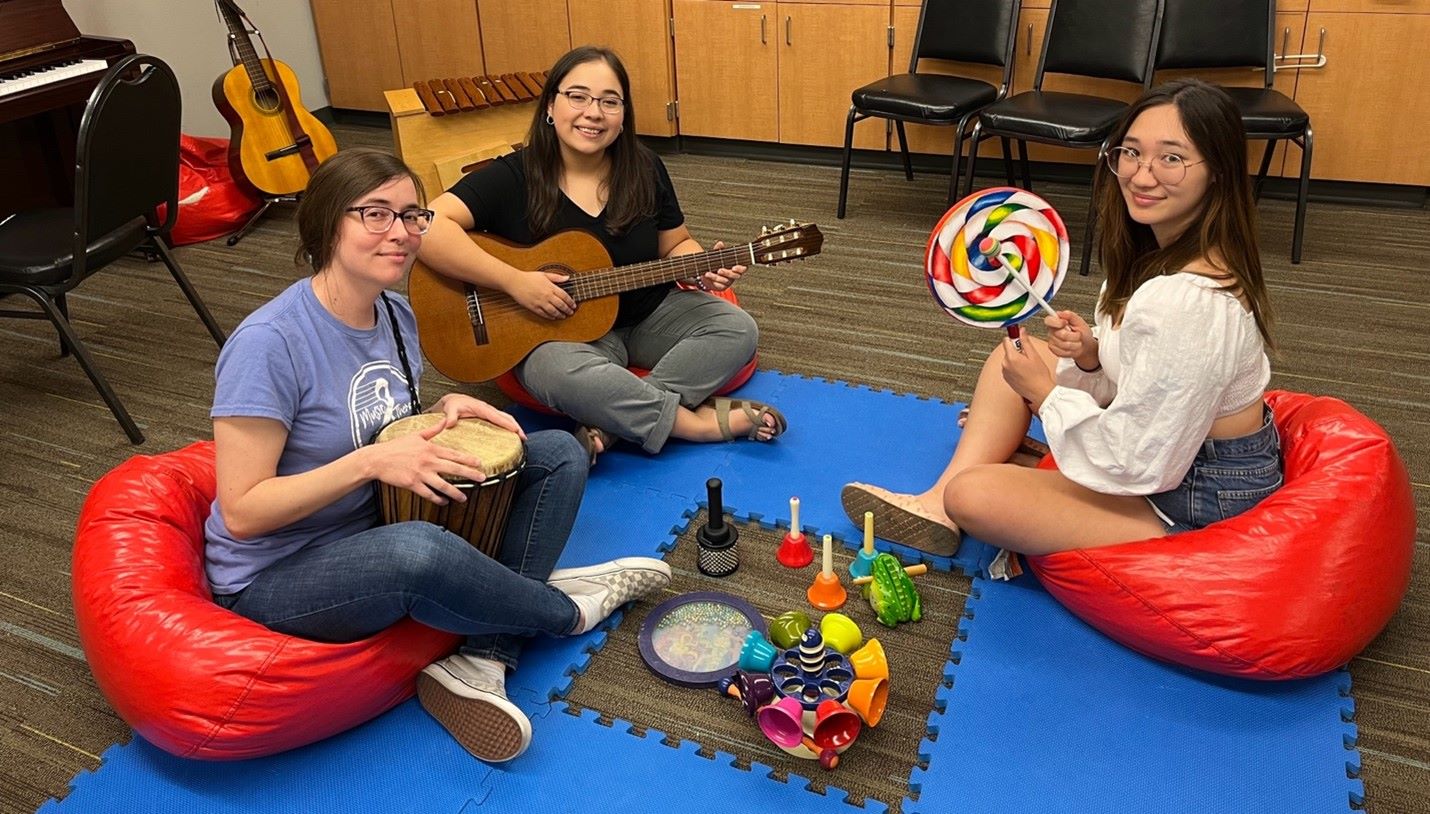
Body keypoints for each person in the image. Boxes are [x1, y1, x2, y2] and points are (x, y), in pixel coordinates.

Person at [204, 148, 671, 764]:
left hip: (374, 519)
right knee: (419, 553)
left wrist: (443, 410)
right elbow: (241, 511)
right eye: (375, 215)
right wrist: (370, 465)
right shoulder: (268, 345)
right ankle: (565, 610)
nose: (400, 234)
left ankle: (485, 656)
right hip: (276, 573)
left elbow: (381, 425)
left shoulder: (396, 313)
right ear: (325, 224)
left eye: (411, 215)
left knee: (558, 452)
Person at [843, 79, 1280, 557]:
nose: (1141, 175)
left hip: (1192, 495)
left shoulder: (1189, 304)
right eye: (1130, 152)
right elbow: (1146, 374)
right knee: (1008, 357)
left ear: (1217, 170)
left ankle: (993, 489)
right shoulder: (1160, 252)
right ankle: (937, 506)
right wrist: (1092, 357)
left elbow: (1139, 462)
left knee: (973, 495)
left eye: (1171, 158)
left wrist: (1045, 395)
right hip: (1170, 446)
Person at [419, 45, 785, 464]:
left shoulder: (644, 167)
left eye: (609, 101)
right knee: (549, 370)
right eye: (578, 96)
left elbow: (675, 243)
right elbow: (427, 226)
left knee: (737, 329)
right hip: (565, 335)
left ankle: (610, 425)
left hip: (647, 314)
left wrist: (703, 271)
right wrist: (513, 281)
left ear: (623, 115)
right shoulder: (515, 175)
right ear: (551, 106)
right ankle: (694, 425)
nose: (593, 112)